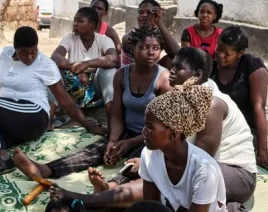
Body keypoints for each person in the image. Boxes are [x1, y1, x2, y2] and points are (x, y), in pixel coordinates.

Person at [13, 27, 170, 180]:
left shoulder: (164, 79)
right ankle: (46, 170)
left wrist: (130, 143)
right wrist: (114, 140)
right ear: (132, 48)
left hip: (152, 136)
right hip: (126, 132)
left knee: (138, 164)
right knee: (94, 151)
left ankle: (112, 188)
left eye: (156, 48)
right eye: (144, 47)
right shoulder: (122, 74)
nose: (151, 52)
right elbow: (116, 115)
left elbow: (162, 126)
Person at [48, 79, 228, 212]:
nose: (143, 132)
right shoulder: (150, 155)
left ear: (173, 133)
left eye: (150, 127)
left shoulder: (204, 170)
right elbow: (150, 207)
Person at [0, 27, 106, 177]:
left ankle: (3, 158)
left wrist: (88, 126)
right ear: (15, 48)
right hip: (12, 122)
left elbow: (64, 100)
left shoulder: (45, 64)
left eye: (34, 52)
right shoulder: (5, 54)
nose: (30, 57)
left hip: (34, 116)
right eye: (24, 53)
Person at [211, 26, 268, 171]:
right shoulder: (211, 66)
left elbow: (259, 107)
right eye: (219, 49)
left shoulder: (253, 66)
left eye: (226, 53)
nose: (220, 55)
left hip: (244, 132)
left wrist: (262, 150)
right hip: (218, 130)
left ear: (240, 53)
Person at [51, 7, 119, 108]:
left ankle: (112, 113)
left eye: (80, 21)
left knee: (109, 71)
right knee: (53, 69)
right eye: (74, 20)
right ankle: (53, 109)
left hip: (95, 88)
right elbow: (55, 56)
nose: (75, 24)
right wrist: (75, 68)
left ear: (92, 24)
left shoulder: (103, 40)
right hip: (72, 85)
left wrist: (86, 64)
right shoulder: (70, 38)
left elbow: (114, 59)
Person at [121, 0, 179, 69]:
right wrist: (151, 24)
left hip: (151, 73)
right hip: (133, 75)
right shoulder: (129, 38)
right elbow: (143, 61)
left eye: (149, 13)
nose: (144, 15)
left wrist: (159, 23)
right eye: (141, 12)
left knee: (171, 60)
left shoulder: (158, 35)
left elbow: (177, 54)